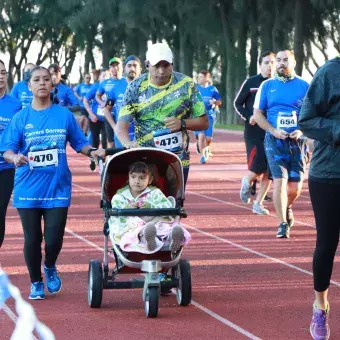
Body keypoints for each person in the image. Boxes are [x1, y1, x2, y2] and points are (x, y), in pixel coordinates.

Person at [0, 66, 105, 300]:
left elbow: (79, 143)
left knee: (54, 237)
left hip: (58, 186)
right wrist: (14, 157)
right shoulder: (21, 117)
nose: (42, 83)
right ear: (29, 86)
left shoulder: (64, 115)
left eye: (46, 79)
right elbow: (6, 149)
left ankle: (49, 265)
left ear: (53, 84)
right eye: (36, 80)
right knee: (32, 238)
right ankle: (36, 282)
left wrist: (93, 152)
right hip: (28, 185)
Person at [115, 43, 208, 187]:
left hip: (177, 159)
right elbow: (121, 126)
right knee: (146, 205)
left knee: (174, 204)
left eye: (166, 65)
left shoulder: (186, 85)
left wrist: (182, 124)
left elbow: (204, 122)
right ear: (147, 65)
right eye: (156, 66)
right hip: (146, 159)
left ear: (172, 64)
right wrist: (127, 143)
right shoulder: (135, 87)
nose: (161, 71)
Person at [298, 56, 340, 340]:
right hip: (330, 174)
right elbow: (306, 119)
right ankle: (320, 305)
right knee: (327, 244)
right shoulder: (330, 73)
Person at [254, 49, 309, 238]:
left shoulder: (305, 85)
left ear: (293, 62)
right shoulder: (267, 86)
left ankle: (287, 207)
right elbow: (257, 114)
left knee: (295, 188)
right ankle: (283, 223)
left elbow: (311, 114)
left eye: (285, 60)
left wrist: (301, 130)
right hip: (274, 140)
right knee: (279, 182)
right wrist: (273, 130)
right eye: (278, 60)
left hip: (297, 142)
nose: (281, 63)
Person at [109, 161, 190, 254]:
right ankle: (147, 239)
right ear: (128, 177)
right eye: (133, 177)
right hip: (133, 225)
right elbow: (116, 209)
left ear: (150, 180)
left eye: (142, 178)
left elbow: (167, 205)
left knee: (164, 226)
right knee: (137, 228)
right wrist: (127, 207)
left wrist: (151, 205)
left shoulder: (155, 193)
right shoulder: (121, 195)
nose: (137, 181)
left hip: (155, 223)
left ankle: (171, 237)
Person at [235, 51, 275, 215]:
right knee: (258, 166)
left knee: (270, 170)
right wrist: (249, 116)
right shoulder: (251, 82)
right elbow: (237, 103)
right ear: (260, 65)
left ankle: (258, 203)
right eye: (266, 62)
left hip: (273, 133)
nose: (270, 66)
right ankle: (247, 180)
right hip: (254, 133)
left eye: (273, 62)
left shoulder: (278, 84)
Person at [0, 60, 22, 248]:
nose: (0, 76)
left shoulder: (15, 105)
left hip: (5, 168)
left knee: (0, 212)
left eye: (3, 72)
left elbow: (20, 134)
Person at [103, 55, 142, 147]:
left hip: (143, 136)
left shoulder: (147, 87)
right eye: (129, 66)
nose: (132, 68)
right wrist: (115, 127)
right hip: (122, 136)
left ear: (140, 69)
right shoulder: (116, 87)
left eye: (135, 66)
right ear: (124, 68)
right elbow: (106, 110)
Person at [96, 57, 125, 148]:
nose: (115, 68)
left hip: (122, 116)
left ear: (122, 67)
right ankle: (110, 160)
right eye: (112, 66)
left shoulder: (126, 81)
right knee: (110, 141)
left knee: (123, 139)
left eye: (117, 65)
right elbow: (97, 95)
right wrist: (102, 104)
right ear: (110, 68)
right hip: (109, 115)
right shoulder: (105, 82)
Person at [194, 70, 222, 164]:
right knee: (201, 136)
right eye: (198, 77)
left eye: (201, 77)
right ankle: (203, 156)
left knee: (208, 138)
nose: (199, 79)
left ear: (207, 78)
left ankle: (206, 147)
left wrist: (214, 102)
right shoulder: (195, 88)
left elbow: (219, 101)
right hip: (198, 116)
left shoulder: (213, 89)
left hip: (209, 116)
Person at [83, 69, 107, 149]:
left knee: (105, 141)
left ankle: (105, 160)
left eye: (107, 76)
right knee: (95, 141)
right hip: (95, 119)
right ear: (100, 77)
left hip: (107, 119)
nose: (106, 78)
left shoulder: (111, 88)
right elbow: (85, 101)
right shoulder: (95, 87)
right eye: (104, 76)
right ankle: (93, 160)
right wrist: (91, 114)